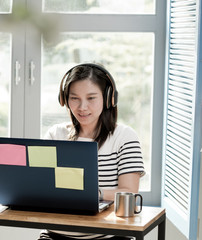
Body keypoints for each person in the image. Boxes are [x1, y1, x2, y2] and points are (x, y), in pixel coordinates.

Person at [38, 63, 145, 240]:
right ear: (65, 100)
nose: (82, 107)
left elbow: (130, 192)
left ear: (108, 98)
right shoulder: (55, 134)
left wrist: (94, 194)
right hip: (56, 235)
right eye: (74, 98)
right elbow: (41, 184)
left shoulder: (124, 137)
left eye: (91, 98)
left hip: (109, 237)